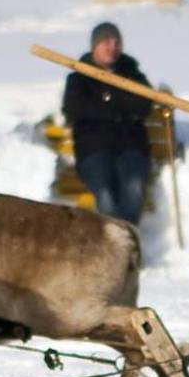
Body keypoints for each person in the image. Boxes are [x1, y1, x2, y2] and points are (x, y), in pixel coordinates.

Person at [62, 23, 153, 225]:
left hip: (132, 148)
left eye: (116, 42)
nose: (112, 47)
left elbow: (144, 105)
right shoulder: (79, 78)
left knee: (133, 188)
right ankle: (115, 248)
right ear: (94, 46)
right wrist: (121, 107)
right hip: (93, 151)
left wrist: (106, 103)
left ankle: (125, 246)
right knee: (105, 195)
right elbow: (74, 110)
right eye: (106, 42)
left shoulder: (133, 74)